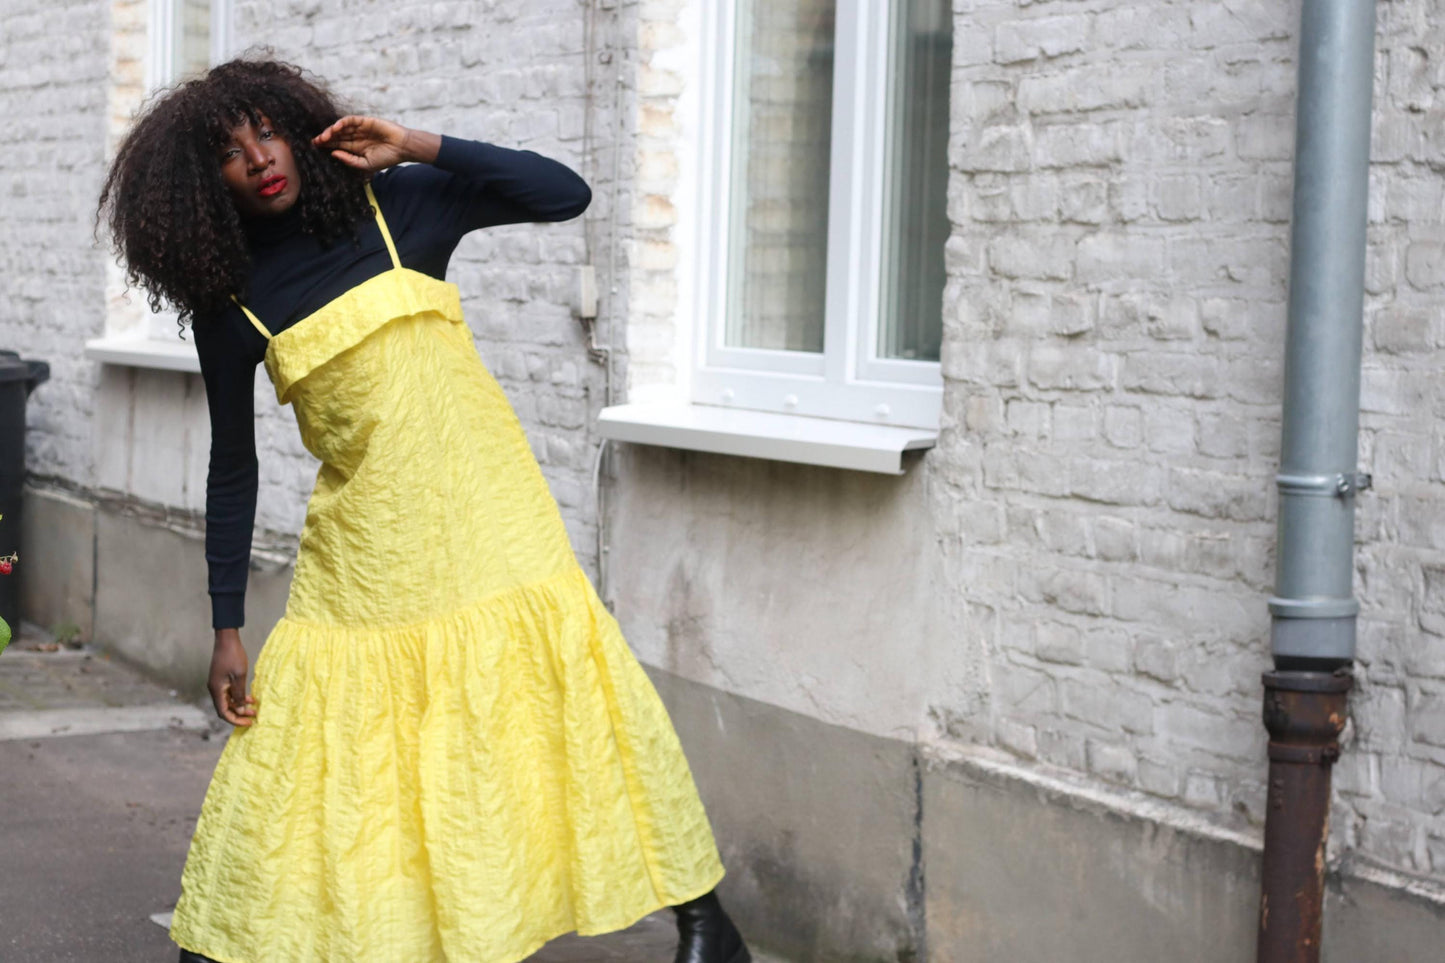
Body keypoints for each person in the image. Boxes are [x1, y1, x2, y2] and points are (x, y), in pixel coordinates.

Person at [98, 58, 751, 963]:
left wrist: (414, 143)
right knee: (302, 746)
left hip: (492, 517)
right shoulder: (234, 302)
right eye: (229, 153)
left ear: (299, 129)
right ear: (204, 186)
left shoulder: (399, 206)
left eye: (266, 132)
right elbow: (233, 471)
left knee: (576, 712)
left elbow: (565, 193)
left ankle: (705, 922)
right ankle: (225, 943)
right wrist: (225, 626)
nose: (258, 159)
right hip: (364, 551)